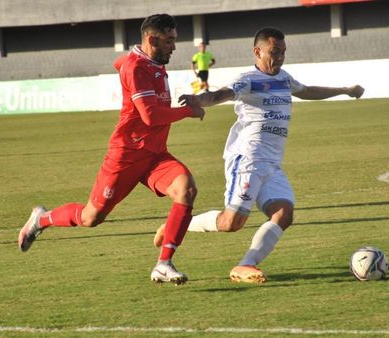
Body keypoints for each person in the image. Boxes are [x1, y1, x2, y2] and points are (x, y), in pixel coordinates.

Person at [154, 27, 364, 283]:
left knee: (284, 214)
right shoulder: (248, 80)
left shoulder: (284, 78)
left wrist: (344, 90)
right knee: (231, 223)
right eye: (275, 52)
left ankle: (245, 265)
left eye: (283, 52)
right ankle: (175, 227)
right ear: (258, 51)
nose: (280, 57)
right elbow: (221, 94)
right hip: (248, 160)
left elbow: (307, 91)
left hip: (273, 163)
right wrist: (199, 100)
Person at [18, 14, 205, 285]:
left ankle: (164, 264)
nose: (174, 47)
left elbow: (119, 63)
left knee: (186, 189)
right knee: (91, 217)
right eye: (169, 41)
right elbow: (150, 115)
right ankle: (41, 219)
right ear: (152, 39)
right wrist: (188, 110)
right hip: (126, 155)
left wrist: (125, 63)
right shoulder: (136, 67)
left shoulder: (148, 60)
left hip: (154, 155)